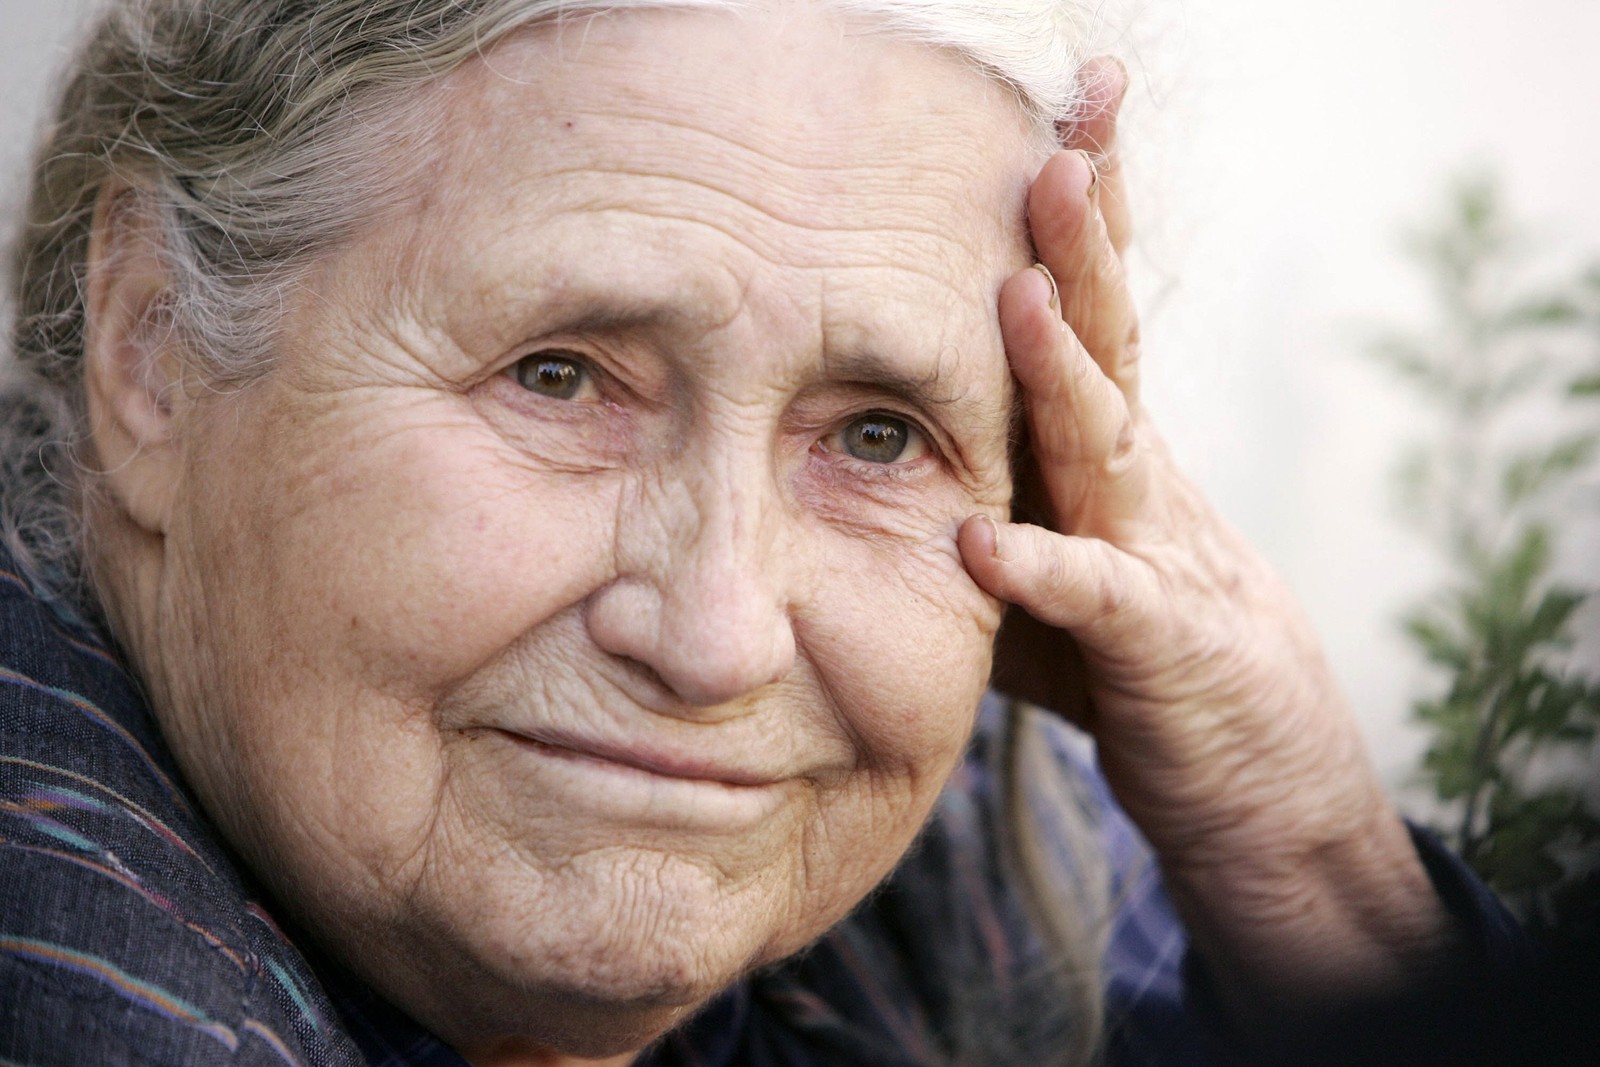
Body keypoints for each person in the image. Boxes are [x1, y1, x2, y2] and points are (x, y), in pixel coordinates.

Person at [0, 1, 1533, 1064]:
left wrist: (1312, 866)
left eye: (878, 435)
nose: (721, 632)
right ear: (151, 349)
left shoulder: (994, 885)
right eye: (560, 376)